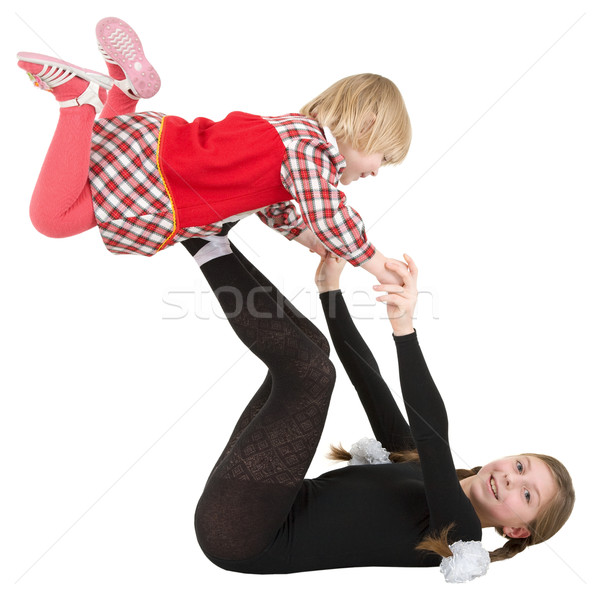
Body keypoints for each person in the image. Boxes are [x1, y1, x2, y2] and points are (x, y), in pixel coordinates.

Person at [179, 234, 574, 582]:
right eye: (521, 467)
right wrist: (329, 290)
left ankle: (200, 238)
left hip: (244, 534)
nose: (511, 480)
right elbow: (370, 382)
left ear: (517, 531)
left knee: (312, 375)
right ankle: (212, 237)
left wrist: (405, 329)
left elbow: (433, 437)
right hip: (255, 500)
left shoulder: (461, 537)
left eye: (527, 496)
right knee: (314, 351)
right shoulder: (418, 466)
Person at [17, 16, 411, 285]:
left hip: (153, 148)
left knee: (94, 156)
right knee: (51, 219)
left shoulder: (293, 135)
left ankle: (123, 90)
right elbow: (329, 212)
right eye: (384, 157)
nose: (377, 171)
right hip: (159, 180)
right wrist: (379, 266)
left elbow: (273, 203)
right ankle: (77, 100)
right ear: (368, 122)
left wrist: (307, 238)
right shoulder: (311, 152)